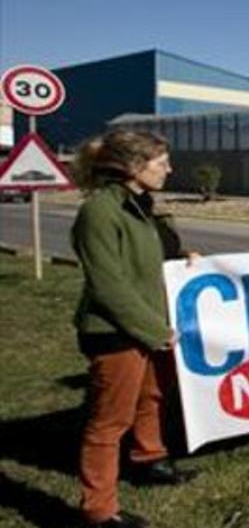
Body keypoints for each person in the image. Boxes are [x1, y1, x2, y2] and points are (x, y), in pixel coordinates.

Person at [71, 130, 198, 528]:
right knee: (109, 422)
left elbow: (154, 258)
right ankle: (99, 510)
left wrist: (184, 258)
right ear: (133, 167)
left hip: (153, 325)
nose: (170, 169)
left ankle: (149, 459)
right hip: (118, 331)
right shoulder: (100, 212)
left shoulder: (142, 206)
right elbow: (108, 285)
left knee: (153, 397)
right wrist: (154, 330)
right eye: (162, 163)